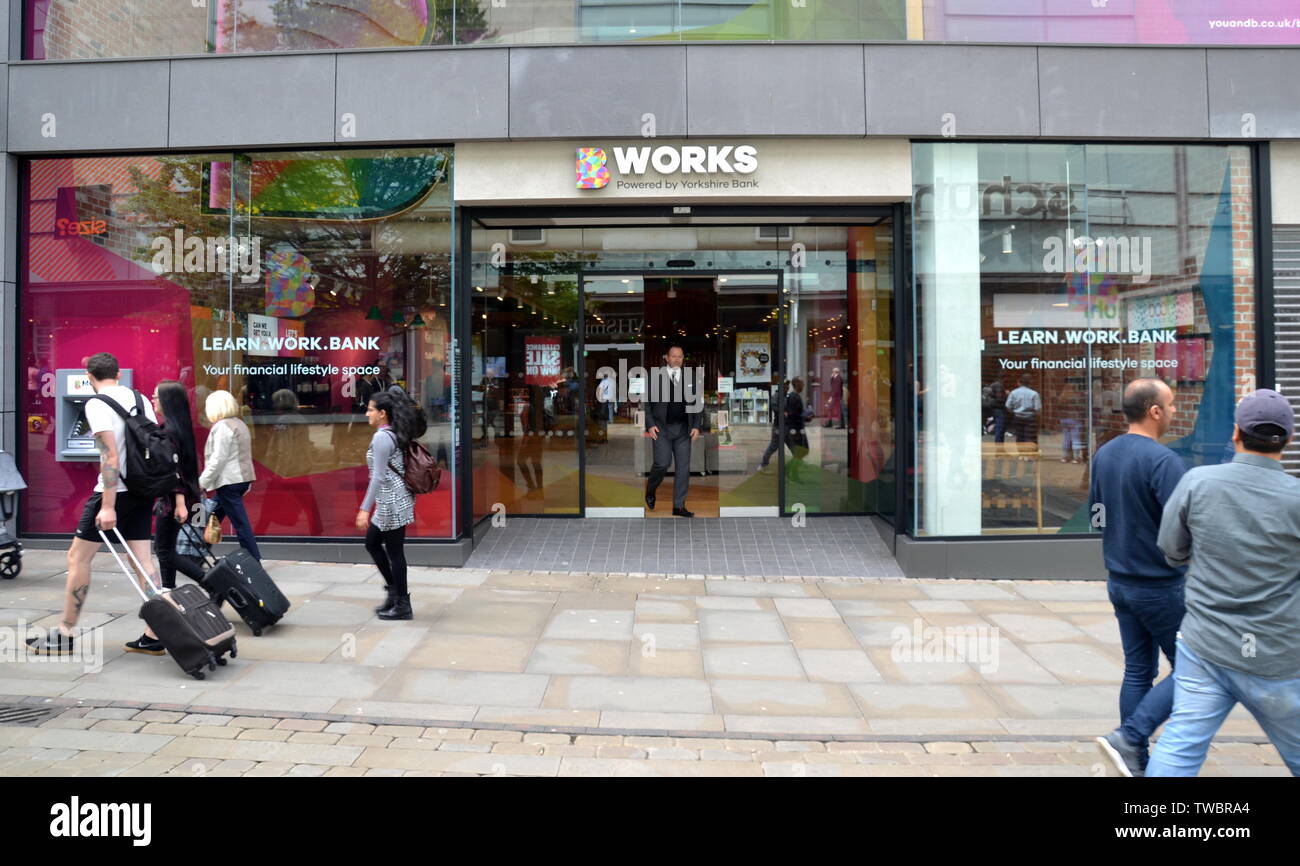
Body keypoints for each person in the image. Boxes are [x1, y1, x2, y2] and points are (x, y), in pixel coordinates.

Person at [1146, 389, 1300, 776]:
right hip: (1276, 652)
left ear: (1235, 434)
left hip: (1207, 643)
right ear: (1288, 438)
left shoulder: (1198, 483)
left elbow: (1171, 549)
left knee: (1180, 746)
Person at [26, 353, 164, 656]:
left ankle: (65, 632)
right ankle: (157, 632)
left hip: (114, 492)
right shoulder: (140, 399)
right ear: (118, 373)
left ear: (89, 376)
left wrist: (108, 506)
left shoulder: (97, 404)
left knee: (78, 557)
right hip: (142, 488)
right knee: (142, 561)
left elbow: (110, 457)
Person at [1090, 378, 1186, 777]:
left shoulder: (1105, 454)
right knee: (1196, 670)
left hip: (1120, 581)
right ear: (1155, 411)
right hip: (1161, 586)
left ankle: (1136, 759)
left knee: (1137, 671)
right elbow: (1183, 526)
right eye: (1172, 404)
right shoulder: (1164, 462)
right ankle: (1130, 738)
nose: (1175, 411)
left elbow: (1097, 517)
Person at [356, 391, 416, 620]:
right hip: (391, 500)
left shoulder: (382, 437)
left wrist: (364, 508)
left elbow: (378, 477)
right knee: (372, 543)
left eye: (371, 409)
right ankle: (394, 593)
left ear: (382, 413)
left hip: (392, 501)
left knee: (395, 553)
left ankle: (402, 604)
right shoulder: (390, 433)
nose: (367, 413)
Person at [151, 381, 206, 591]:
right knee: (166, 548)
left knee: (164, 551)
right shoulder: (178, 429)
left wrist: (180, 504)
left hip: (172, 501)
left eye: (156, 397)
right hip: (173, 498)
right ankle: (168, 589)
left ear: (167, 401)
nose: (153, 400)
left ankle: (211, 583)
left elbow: (175, 470)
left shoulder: (169, 433)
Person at [644, 346, 705, 518]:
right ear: (666, 357)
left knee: (683, 468)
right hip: (661, 429)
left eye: (680, 356)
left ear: (683, 358)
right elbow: (646, 403)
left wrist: (696, 425)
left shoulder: (691, 377)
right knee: (662, 464)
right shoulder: (654, 376)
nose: (677, 359)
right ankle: (651, 489)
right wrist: (650, 424)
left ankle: (679, 506)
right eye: (673, 356)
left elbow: (698, 403)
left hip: (683, 430)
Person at [200, 390, 260, 560]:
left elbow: (218, 459)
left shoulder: (222, 427)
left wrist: (202, 482)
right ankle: (196, 553)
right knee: (211, 516)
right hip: (240, 480)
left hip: (228, 482)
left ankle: (254, 559)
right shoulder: (239, 424)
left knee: (240, 523)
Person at [760, 377, 808, 474]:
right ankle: (763, 465)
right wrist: (784, 411)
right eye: (785, 386)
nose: (786, 388)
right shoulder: (776, 396)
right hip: (778, 427)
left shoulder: (787, 396)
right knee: (773, 446)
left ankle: (799, 464)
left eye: (787, 386)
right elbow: (775, 408)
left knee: (792, 446)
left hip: (786, 426)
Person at [1005, 375, 1041, 450]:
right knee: (1031, 437)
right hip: (1030, 417)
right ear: (1030, 383)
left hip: (1017, 417)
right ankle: (1030, 453)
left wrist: (1013, 412)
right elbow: (1038, 408)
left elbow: (1008, 405)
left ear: (1019, 382)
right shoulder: (1034, 393)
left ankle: (1021, 453)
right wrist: (1037, 416)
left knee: (1019, 437)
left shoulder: (1013, 393)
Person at [982, 378, 1008, 445]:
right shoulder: (998, 385)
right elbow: (1000, 398)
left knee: (999, 428)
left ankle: (999, 445)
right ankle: (999, 446)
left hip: (995, 408)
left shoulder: (992, 386)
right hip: (999, 409)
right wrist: (1006, 395)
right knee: (1000, 428)